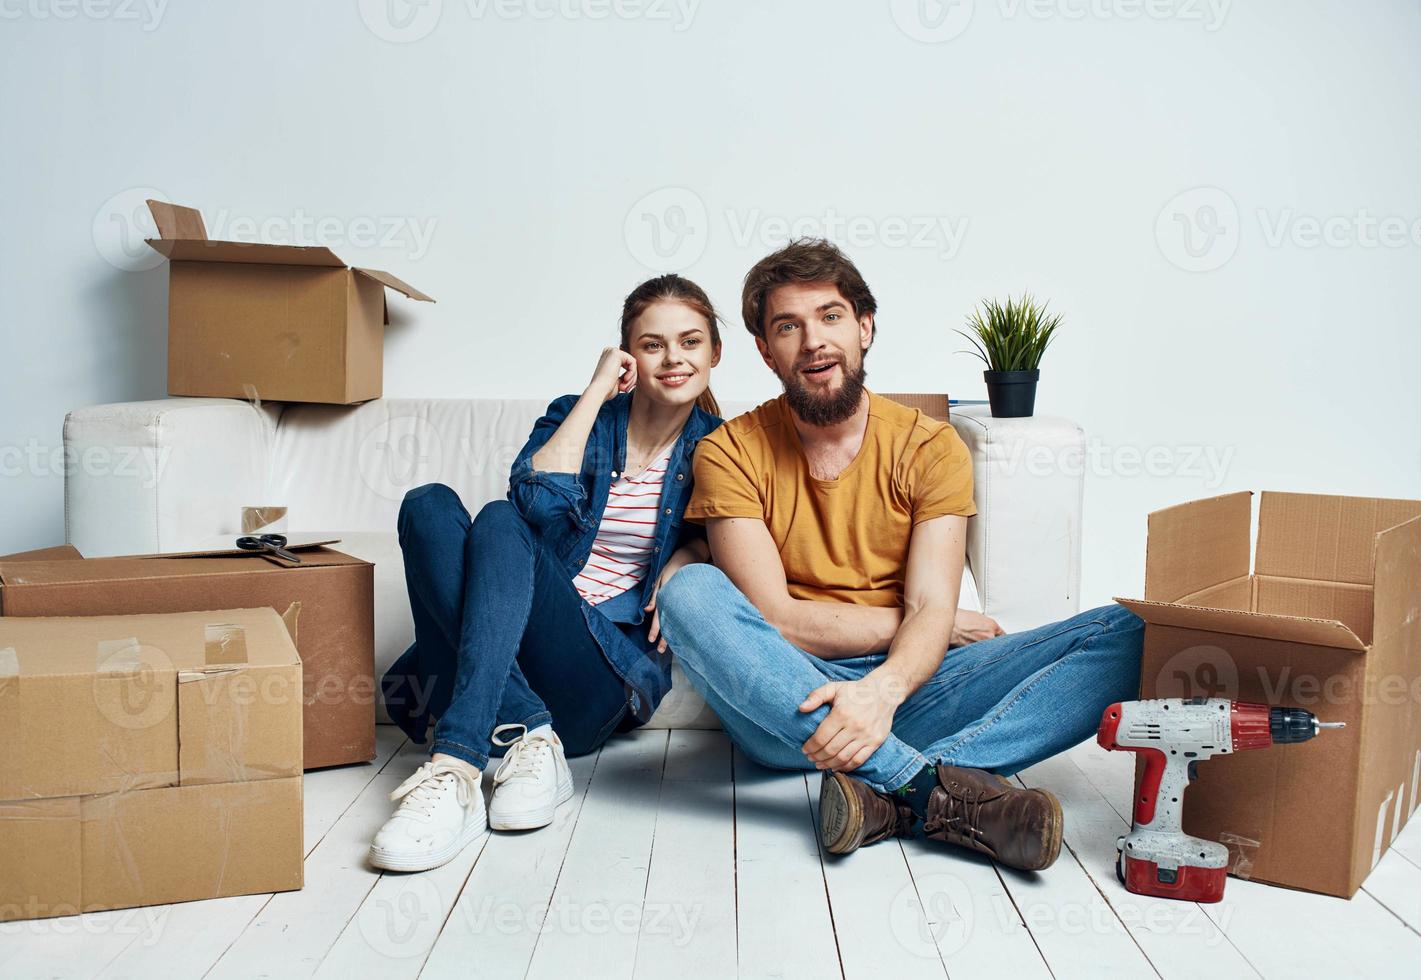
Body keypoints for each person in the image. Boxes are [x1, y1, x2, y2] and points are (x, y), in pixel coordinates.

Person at [654, 240, 1143, 872]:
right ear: (764, 349)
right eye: (787, 326)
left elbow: (932, 604)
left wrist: (887, 684)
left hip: (909, 683)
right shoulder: (729, 452)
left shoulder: (931, 447)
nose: (813, 341)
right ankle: (926, 789)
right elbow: (778, 621)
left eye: (830, 317)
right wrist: (931, 628)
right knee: (689, 590)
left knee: (1133, 633)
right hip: (786, 698)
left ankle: (886, 794)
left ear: (864, 327)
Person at [370, 274, 723, 873]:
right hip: (513, 644)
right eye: (652, 344)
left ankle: (455, 755)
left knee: (501, 520)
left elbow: (738, 539)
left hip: (599, 676)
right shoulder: (577, 418)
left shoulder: (719, 448)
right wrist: (594, 392)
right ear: (627, 355)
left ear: (715, 353)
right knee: (430, 504)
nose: (673, 359)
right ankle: (525, 739)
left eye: (690, 342)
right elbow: (538, 504)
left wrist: (692, 554)